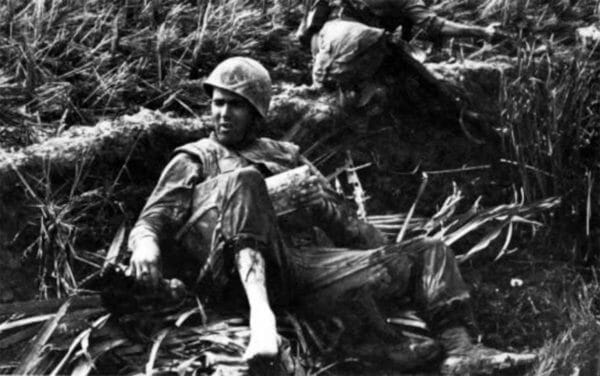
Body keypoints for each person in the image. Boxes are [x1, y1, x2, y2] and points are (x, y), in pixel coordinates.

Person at [127, 56, 534, 374]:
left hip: (302, 265)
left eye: (236, 105)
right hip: (232, 272)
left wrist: (325, 206)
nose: (223, 113)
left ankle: (460, 352)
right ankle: (263, 321)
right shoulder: (197, 156)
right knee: (244, 180)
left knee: (428, 250)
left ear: (257, 112)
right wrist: (145, 246)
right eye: (218, 103)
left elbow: (354, 231)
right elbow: (154, 217)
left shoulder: (285, 155)